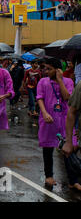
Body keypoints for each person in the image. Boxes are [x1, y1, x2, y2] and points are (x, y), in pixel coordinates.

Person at [36, 58, 76, 187]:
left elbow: (67, 97)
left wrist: (60, 80)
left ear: (58, 70)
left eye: (49, 69)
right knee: (48, 148)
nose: (46, 71)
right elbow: (40, 98)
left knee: (69, 149)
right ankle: (49, 176)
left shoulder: (68, 82)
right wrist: (44, 113)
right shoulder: (43, 82)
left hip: (64, 119)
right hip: (48, 119)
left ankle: (73, 180)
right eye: (45, 68)